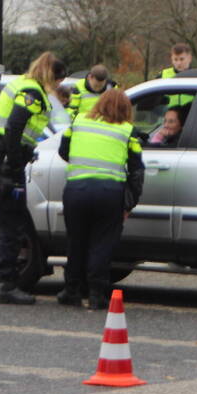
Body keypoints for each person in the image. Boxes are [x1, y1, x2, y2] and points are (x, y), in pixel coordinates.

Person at [0, 51, 68, 304]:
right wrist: (15, 162)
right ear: (53, 77)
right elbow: (15, 126)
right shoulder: (33, 93)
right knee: (11, 222)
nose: (59, 87)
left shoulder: (19, 83)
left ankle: (0, 279)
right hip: (4, 157)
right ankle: (7, 284)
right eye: (59, 81)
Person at [57, 88, 144, 310]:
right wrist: (130, 203)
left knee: (76, 241)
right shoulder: (127, 131)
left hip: (77, 190)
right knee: (102, 244)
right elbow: (136, 169)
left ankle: (71, 290)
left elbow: (63, 151)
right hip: (109, 193)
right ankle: (96, 294)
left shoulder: (79, 122)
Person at [157, 43, 194, 108]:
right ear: (172, 59)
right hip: (168, 116)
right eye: (175, 59)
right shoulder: (163, 75)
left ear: (189, 58)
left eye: (182, 59)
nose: (178, 63)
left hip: (191, 116)